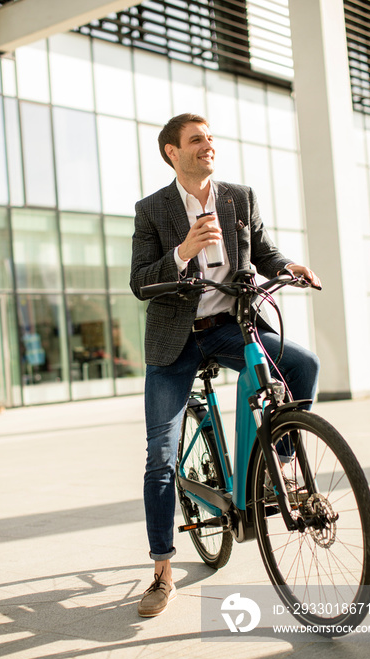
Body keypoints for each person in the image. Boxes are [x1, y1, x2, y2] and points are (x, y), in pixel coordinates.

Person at [130, 113, 321, 618]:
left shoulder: (239, 196)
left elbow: (264, 250)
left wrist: (288, 267)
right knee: (161, 455)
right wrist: (182, 252)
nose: (207, 145)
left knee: (300, 365)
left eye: (210, 138)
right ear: (173, 151)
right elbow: (140, 282)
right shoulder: (151, 210)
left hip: (231, 326)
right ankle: (162, 571)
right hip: (175, 341)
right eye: (196, 140)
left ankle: (278, 462)